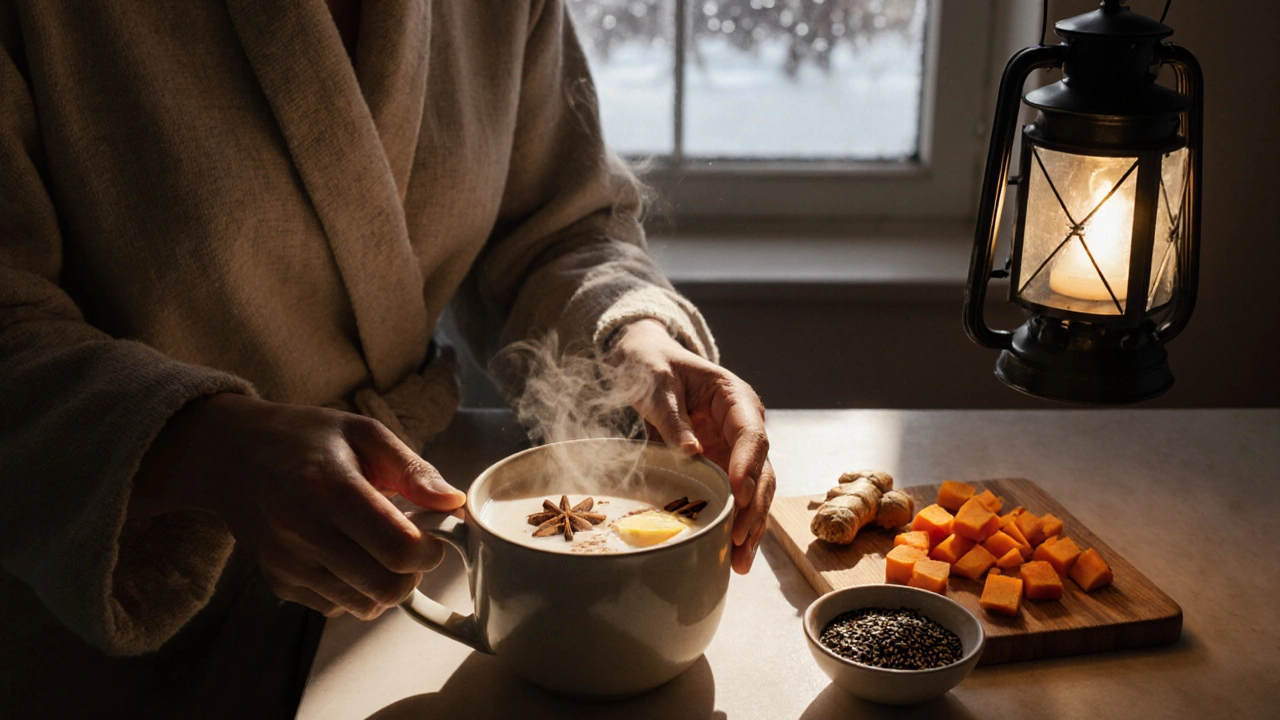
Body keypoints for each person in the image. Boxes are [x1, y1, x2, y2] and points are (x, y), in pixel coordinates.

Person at [0, 0, 776, 716]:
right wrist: (202, 445)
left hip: (392, 591)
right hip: (120, 616)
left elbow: (553, 224)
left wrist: (633, 338)